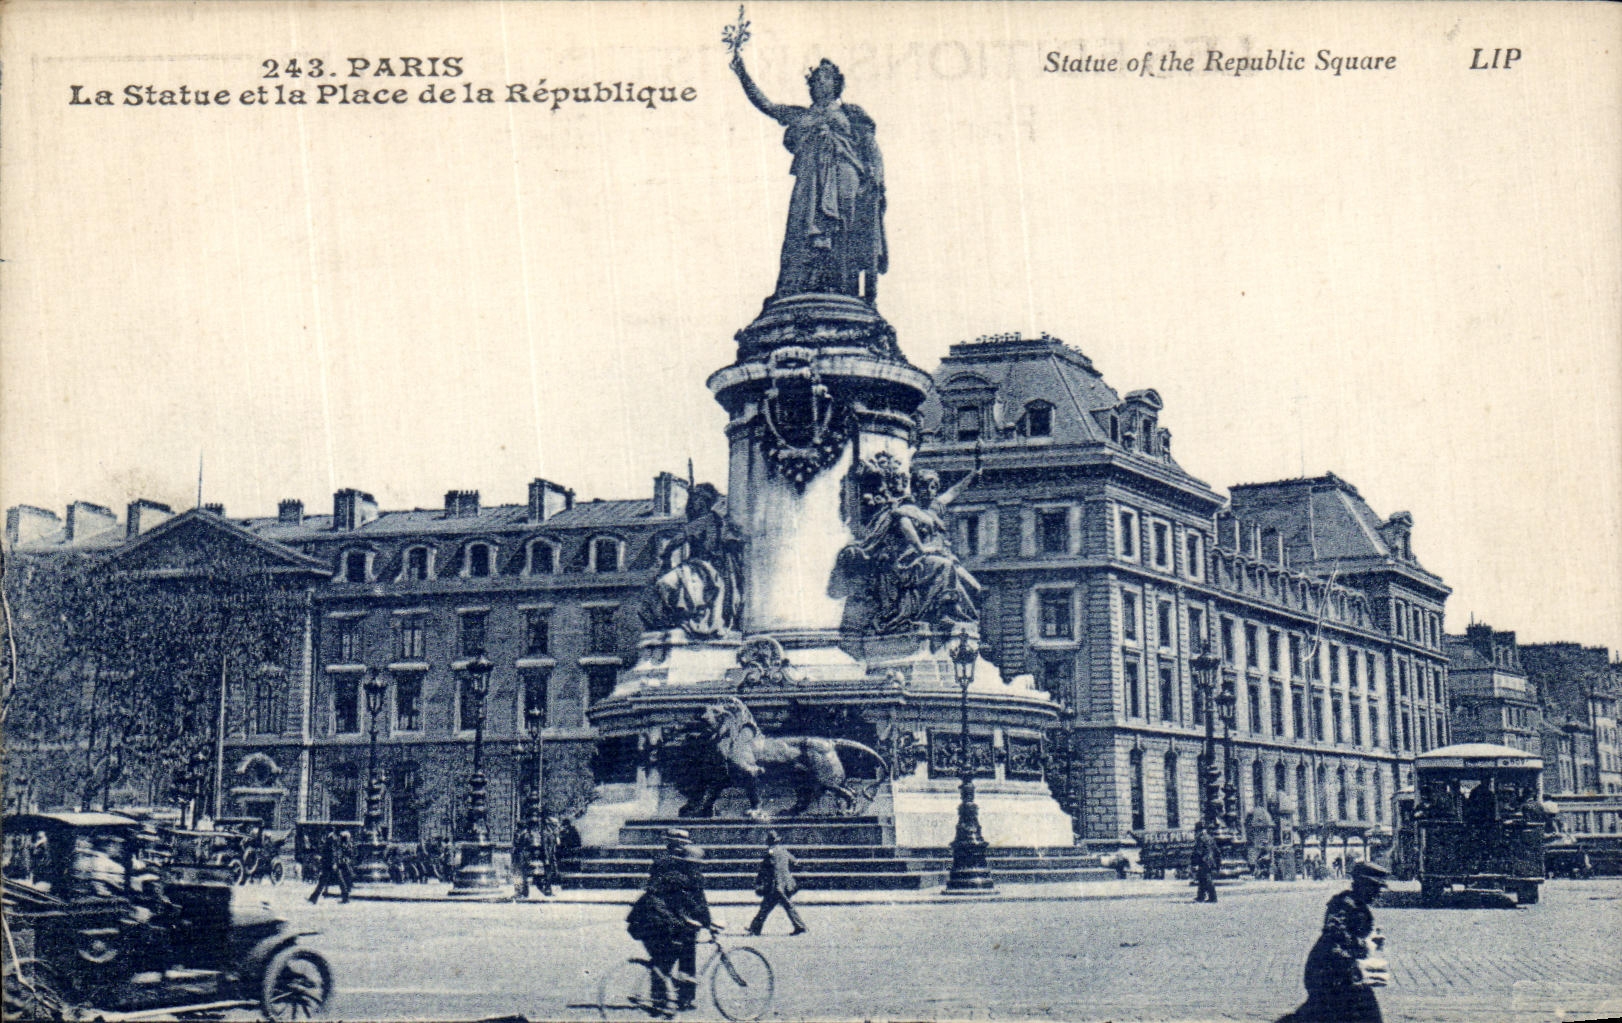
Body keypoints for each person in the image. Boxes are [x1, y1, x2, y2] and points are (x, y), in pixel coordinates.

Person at [729, 50, 886, 300]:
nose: (816, 82)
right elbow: (767, 105)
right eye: (814, 79)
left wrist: (876, 178)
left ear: (836, 83)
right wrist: (743, 74)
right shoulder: (801, 115)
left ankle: (845, 288)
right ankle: (799, 284)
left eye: (823, 77)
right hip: (809, 180)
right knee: (801, 227)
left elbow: (871, 149)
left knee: (844, 230)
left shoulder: (851, 113)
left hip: (845, 174)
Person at [1282, 861, 1391, 1023]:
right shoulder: (1343, 905)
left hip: (1344, 973)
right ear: (1362, 884)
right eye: (1374, 887)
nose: (1377, 893)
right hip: (1328, 974)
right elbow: (1335, 936)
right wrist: (1365, 944)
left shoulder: (1358, 906)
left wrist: (1371, 939)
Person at [626, 831, 713, 1015]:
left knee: (674, 958)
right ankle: (668, 1000)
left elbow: (691, 899)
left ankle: (672, 998)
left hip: (671, 918)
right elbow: (693, 900)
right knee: (671, 958)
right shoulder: (677, 868)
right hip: (662, 918)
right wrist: (705, 921)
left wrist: (701, 920)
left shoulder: (671, 864)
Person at [747, 830, 806, 936]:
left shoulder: (770, 853)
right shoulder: (784, 850)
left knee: (767, 907)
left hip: (776, 886)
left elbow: (764, 870)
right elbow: (796, 862)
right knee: (775, 906)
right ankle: (755, 928)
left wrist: (759, 883)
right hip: (786, 884)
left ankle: (755, 929)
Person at [308, 828, 351, 904]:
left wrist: (333, 863)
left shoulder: (331, 839)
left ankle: (313, 898)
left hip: (330, 863)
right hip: (330, 863)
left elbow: (333, 852)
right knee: (329, 881)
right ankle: (345, 898)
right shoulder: (333, 838)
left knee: (324, 881)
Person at [1192, 825, 1220, 904]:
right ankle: (1201, 896)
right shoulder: (1210, 837)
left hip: (1204, 861)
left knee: (1205, 879)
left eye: (1196, 831)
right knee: (1203, 879)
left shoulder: (1201, 839)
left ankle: (1212, 897)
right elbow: (1217, 850)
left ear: (1199, 831)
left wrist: (1194, 863)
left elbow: (1198, 852)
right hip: (1211, 861)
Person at [539, 815, 562, 896]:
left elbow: (558, 843)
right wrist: (546, 858)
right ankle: (547, 890)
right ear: (549, 824)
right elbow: (545, 846)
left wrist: (557, 835)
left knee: (552, 873)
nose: (556, 826)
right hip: (548, 856)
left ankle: (548, 889)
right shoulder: (545, 833)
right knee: (548, 873)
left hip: (552, 855)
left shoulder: (553, 833)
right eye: (554, 824)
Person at [512, 823, 536, 899]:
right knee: (523, 876)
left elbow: (518, 844)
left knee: (519, 875)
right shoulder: (528, 835)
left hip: (521, 857)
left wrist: (517, 837)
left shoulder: (524, 836)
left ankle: (520, 892)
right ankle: (524, 892)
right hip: (525, 857)